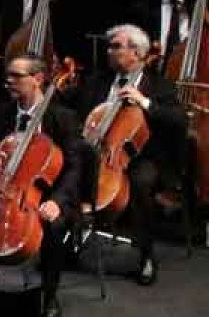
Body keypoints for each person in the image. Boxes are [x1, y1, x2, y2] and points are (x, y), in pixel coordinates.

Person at [62, 24, 185, 286]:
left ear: (138, 53)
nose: (110, 50)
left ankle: (146, 255)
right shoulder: (98, 80)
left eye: (117, 46)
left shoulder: (159, 85)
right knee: (69, 171)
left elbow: (179, 120)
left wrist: (145, 102)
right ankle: (69, 241)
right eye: (110, 46)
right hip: (102, 151)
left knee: (141, 183)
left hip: (144, 156)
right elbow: (75, 112)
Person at [0, 56, 84, 317]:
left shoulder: (62, 117)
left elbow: (75, 167)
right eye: (8, 75)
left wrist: (58, 202)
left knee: (53, 226)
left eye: (17, 76)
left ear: (38, 79)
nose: (9, 81)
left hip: (50, 194)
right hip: (7, 189)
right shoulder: (4, 113)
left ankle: (49, 297)